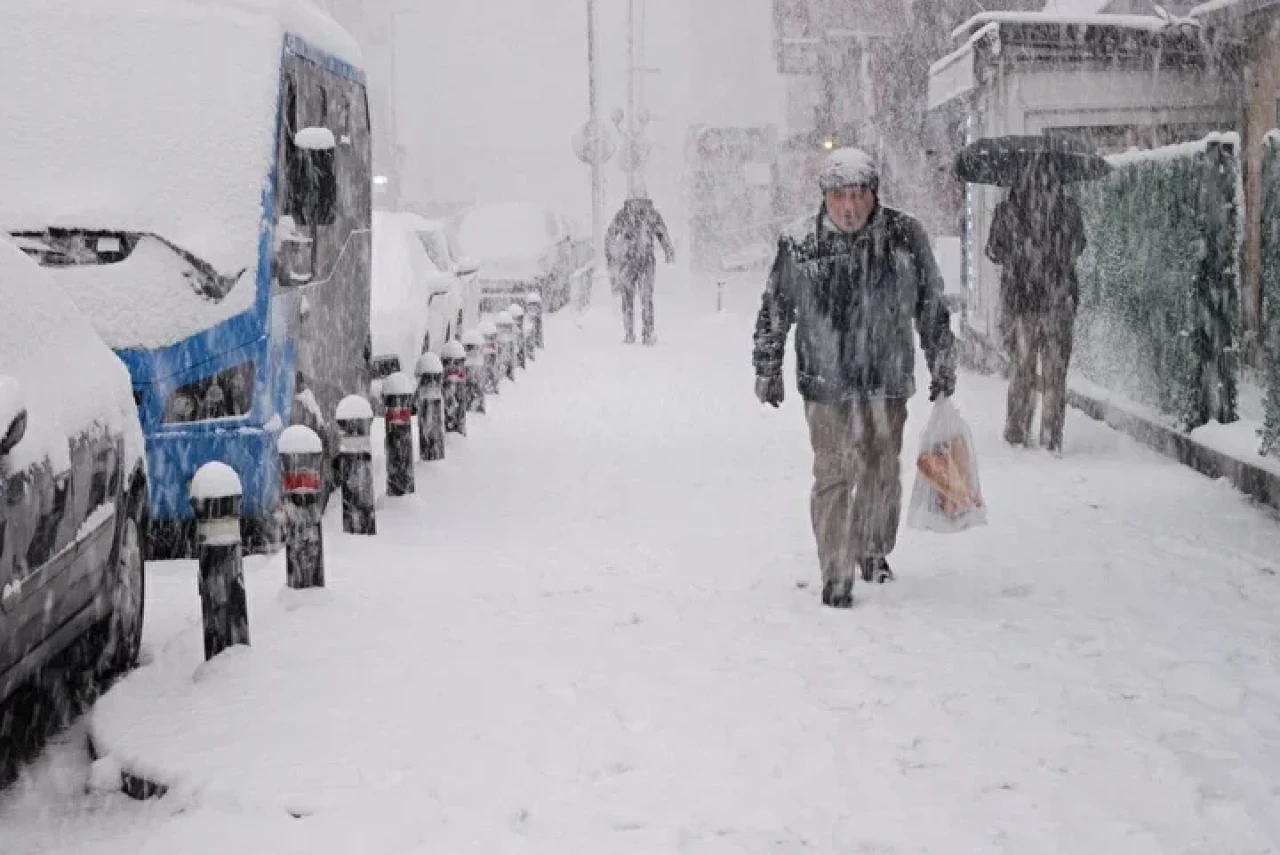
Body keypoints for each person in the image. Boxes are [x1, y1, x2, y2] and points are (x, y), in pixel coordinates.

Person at [752, 147, 956, 609]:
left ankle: (871, 549)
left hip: (886, 376)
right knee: (834, 473)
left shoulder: (905, 237)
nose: (849, 206)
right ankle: (837, 570)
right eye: (839, 196)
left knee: (881, 470)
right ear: (824, 198)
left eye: (859, 195)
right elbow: (775, 308)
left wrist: (942, 358)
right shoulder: (800, 242)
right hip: (825, 380)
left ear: (874, 196)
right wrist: (768, 366)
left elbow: (931, 304)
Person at [985, 168, 1086, 453]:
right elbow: (1079, 247)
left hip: (1021, 303)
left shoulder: (1007, 210)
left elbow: (993, 251)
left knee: (1022, 371)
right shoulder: (1068, 209)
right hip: (1058, 301)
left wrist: (1019, 259)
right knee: (1055, 375)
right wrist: (1053, 259)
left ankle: (1017, 431)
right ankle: (1051, 436)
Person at [605, 195, 675, 345]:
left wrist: (612, 256)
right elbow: (662, 234)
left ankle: (629, 333)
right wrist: (668, 251)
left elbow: (610, 235)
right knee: (646, 298)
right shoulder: (652, 213)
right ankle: (647, 334)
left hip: (627, 261)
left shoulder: (623, 214)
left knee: (627, 298)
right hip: (646, 261)